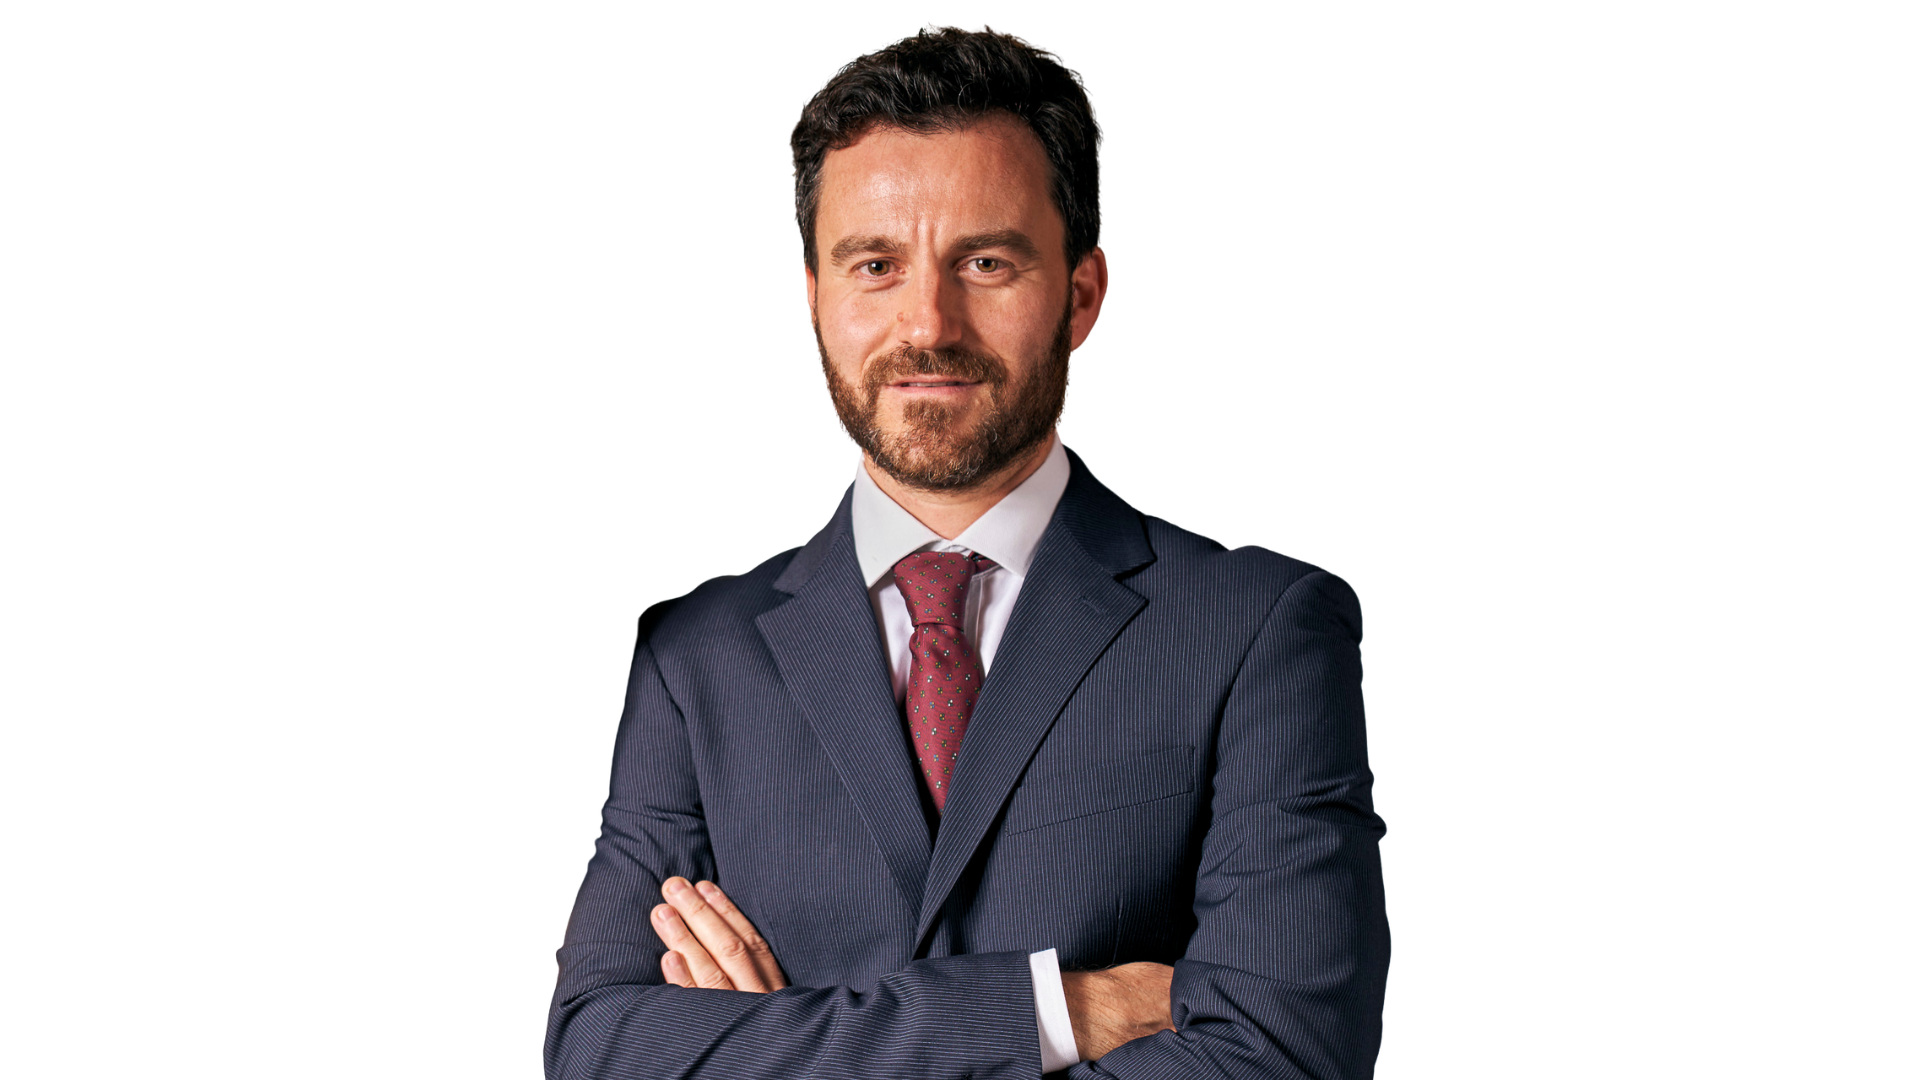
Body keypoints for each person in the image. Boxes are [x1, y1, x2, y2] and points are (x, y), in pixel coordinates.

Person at [546, 27, 1388, 1080]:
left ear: (1080, 294)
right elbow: (599, 1049)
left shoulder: (1258, 629)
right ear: (815, 297)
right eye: (875, 266)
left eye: (986, 263)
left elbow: (1285, 1056)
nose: (928, 324)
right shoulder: (696, 656)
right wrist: (1052, 1010)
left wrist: (772, 1050)